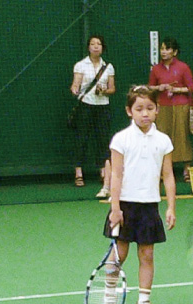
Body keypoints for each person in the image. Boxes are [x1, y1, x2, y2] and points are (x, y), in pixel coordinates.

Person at [104, 85, 176, 304]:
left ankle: (143, 303)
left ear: (156, 110)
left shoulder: (163, 141)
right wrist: (115, 208)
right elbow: (116, 175)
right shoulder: (121, 139)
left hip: (149, 206)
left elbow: (168, 175)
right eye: (139, 109)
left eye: (149, 108)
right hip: (124, 205)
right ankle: (109, 299)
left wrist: (171, 207)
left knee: (147, 255)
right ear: (129, 111)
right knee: (119, 254)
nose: (144, 113)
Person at [70, 34, 115, 197]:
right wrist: (75, 89)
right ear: (88, 47)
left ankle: (104, 172)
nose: (96, 46)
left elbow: (112, 89)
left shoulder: (108, 67)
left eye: (99, 44)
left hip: (102, 106)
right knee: (82, 137)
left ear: (103, 47)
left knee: (103, 139)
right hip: (86, 105)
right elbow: (75, 84)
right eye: (93, 44)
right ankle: (78, 173)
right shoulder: (81, 66)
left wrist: (104, 90)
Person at [148, 37, 193, 182]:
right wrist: (159, 88)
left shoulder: (183, 67)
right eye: (162, 48)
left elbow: (191, 87)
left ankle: (186, 169)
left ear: (174, 52)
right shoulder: (156, 69)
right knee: (162, 137)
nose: (164, 52)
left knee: (182, 136)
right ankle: (163, 170)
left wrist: (176, 90)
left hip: (181, 106)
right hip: (162, 106)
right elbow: (150, 87)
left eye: (167, 49)